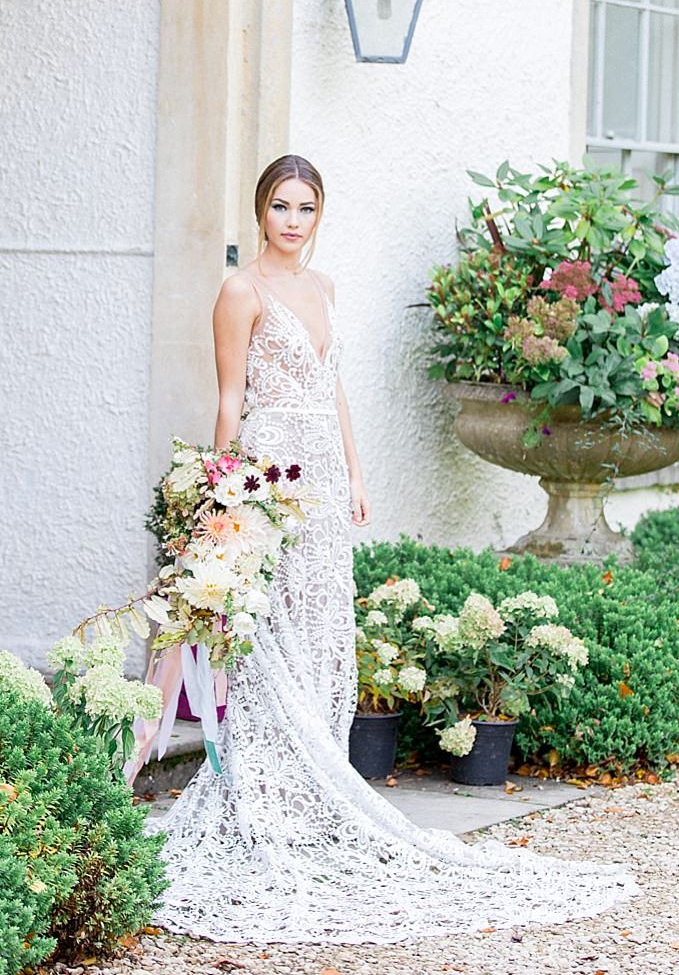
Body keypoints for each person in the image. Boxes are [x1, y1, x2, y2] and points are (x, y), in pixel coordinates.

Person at [151, 154, 638, 944]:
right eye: (281, 205)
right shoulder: (242, 291)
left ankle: (312, 795)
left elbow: (333, 387)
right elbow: (232, 395)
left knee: (317, 632)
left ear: (319, 214)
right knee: (269, 630)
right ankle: (263, 793)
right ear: (260, 210)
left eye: (307, 207)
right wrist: (223, 488)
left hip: (323, 479)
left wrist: (356, 474)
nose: (294, 220)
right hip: (270, 477)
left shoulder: (326, 288)